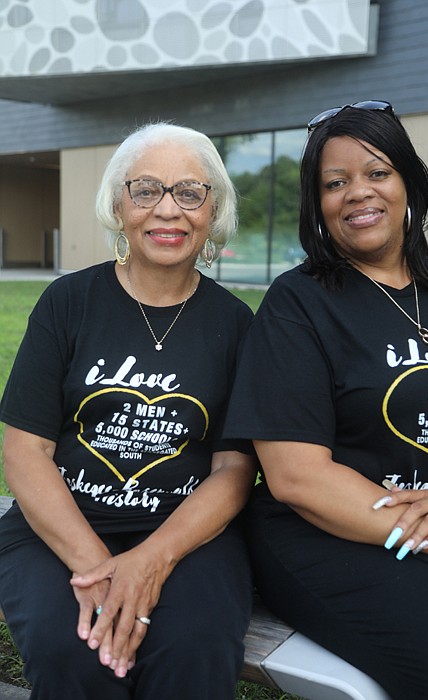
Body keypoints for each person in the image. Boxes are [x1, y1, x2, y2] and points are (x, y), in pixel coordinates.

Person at [223, 101, 428, 700]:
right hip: (331, 534)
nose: (357, 194)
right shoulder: (298, 305)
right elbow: (296, 479)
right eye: (334, 184)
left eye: (377, 173)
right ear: (318, 206)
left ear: (409, 183)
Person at [0, 122, 256, 700]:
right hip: (59, 526)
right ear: (119, 203)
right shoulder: (69, 302)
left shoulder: (238, 325)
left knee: (194, 648)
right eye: (146, 190)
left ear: (213, 211)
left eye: (190, 192)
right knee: (75, 648)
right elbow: (25, 449)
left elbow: (234, 470)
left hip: (188, 535)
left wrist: (150, 560)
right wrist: (98, 567)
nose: (169, 210)